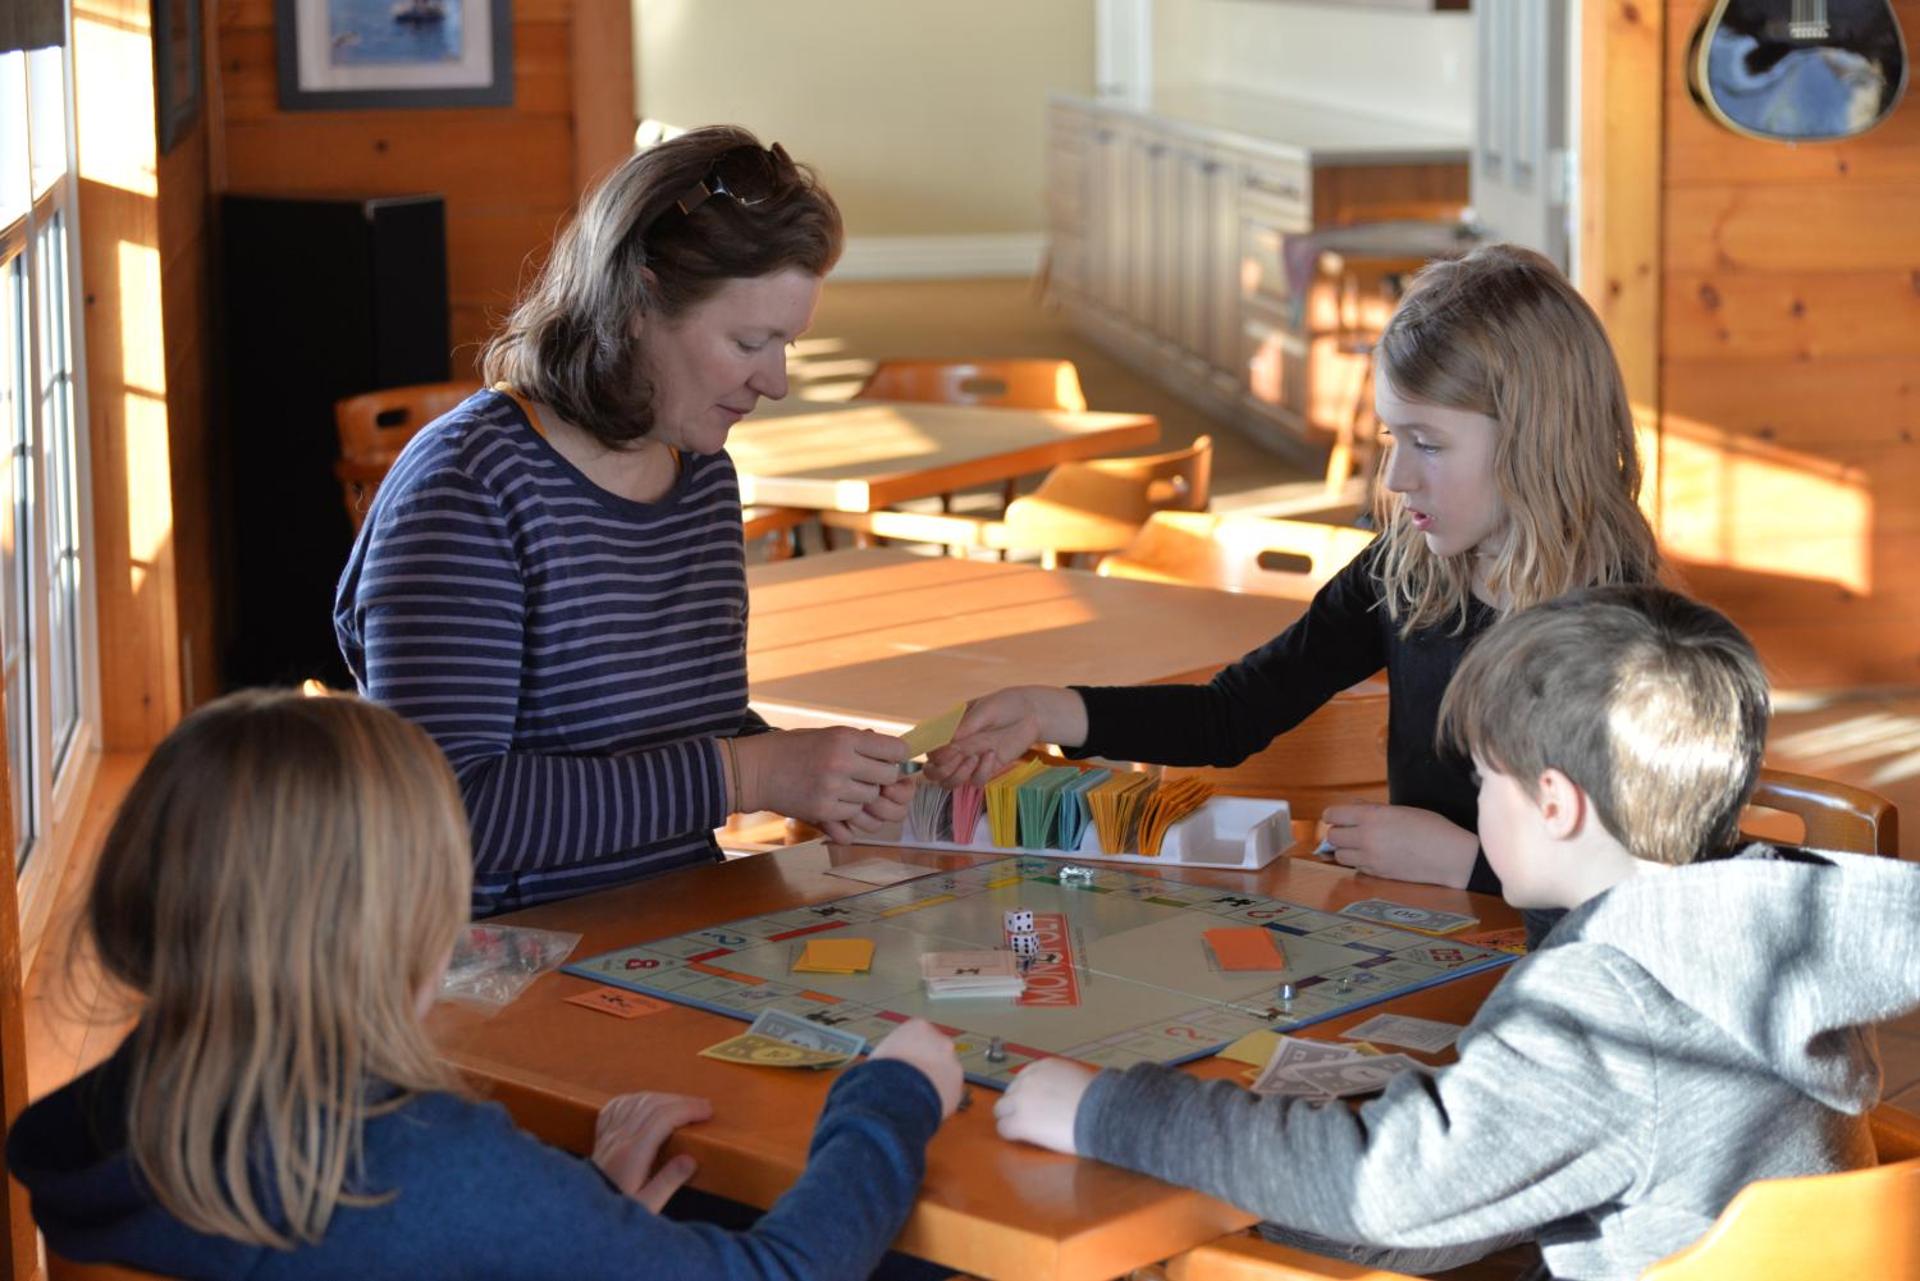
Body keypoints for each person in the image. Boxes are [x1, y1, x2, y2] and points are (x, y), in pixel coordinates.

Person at [993, 585, 1920, 1279]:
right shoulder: (1767, 913)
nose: (1476, 801)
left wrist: (1109, 1110)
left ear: (1555, 803)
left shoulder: (1608, 1000)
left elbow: (1382, 1183)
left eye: (1484, 778)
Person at [7, 690, 964, 1279]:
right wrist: (891, 1094)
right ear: (412, 930)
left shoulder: (106, 1118)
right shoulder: (434, 1164)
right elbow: (778, 1273)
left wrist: (581, 1210)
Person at [924, 244, 1661, 941]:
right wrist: (1051, 710)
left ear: (1534, 441)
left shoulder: (1622, 635)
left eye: (1428, 443)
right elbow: (1232, 713)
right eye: (1391, 438)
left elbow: (1641, 885)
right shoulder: (1405, 569)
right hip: (1430, 934)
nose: (1397, 477)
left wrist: (1465, 862)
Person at [335, 126, 911, 916]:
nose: (775, 381)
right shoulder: (467, 490)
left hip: (672, 927)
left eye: (788, 343)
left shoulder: (700, 471)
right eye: (750, 341)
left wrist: (817, 775)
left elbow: (679, 733)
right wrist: (750, 773)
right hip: (503, 957)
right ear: (636, 304)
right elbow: (445, 814)